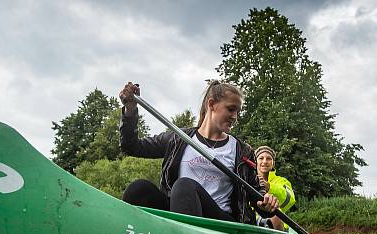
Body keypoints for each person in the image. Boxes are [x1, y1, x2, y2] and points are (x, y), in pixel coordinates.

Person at [118, 79, 278, 224]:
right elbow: (131, 147)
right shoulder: (178, 138)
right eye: (231, 109)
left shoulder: (242, 151)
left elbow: (257, 196)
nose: (235, 116)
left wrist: (265, 202)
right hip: (178, 214)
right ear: (212, 104)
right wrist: (130, 110)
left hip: (220, 221)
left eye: (238, 111)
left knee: (184, 186)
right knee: (138, 189)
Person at [254, 145, 296, 231]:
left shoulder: (282, 181)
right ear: (255, 162)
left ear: (273, 163)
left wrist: (269, 187)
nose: (265, 161)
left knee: (274, 213)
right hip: (251, 222)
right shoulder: (247, 179)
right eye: (261, 158)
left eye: (269, 158)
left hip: (277, 227)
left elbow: (290, 200)